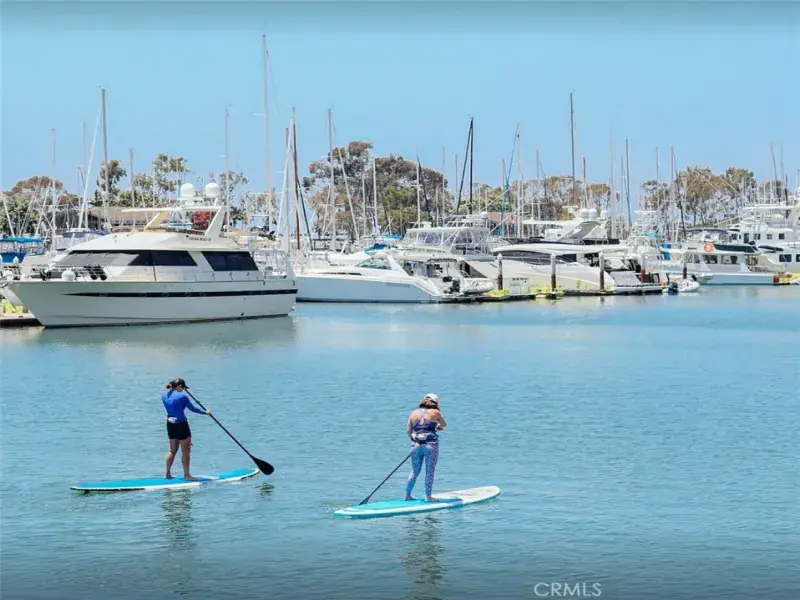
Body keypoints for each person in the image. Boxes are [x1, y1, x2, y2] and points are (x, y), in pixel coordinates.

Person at [161, 378, 210, 480]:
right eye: (183, 388)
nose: (183, 390)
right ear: (179, 386)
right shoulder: (182, 396)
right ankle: (187, 475)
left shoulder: (164, 395)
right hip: (181, 425)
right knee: (186, 451)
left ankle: (167, 474)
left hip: (170, 424)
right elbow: (193, 409)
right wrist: (205, 413)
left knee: (172, 450)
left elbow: (175, 407)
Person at [405, 393, 447, 502]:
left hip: (415, 445)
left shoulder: (413, 413)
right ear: (435, 403)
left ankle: (408, 495)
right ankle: (428, 496)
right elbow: (444, 424)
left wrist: (415, 440)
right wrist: (438, 427)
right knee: (430, 471)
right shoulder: (436, 412)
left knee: (414, 471)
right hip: (430, 445)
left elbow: (408, 431)